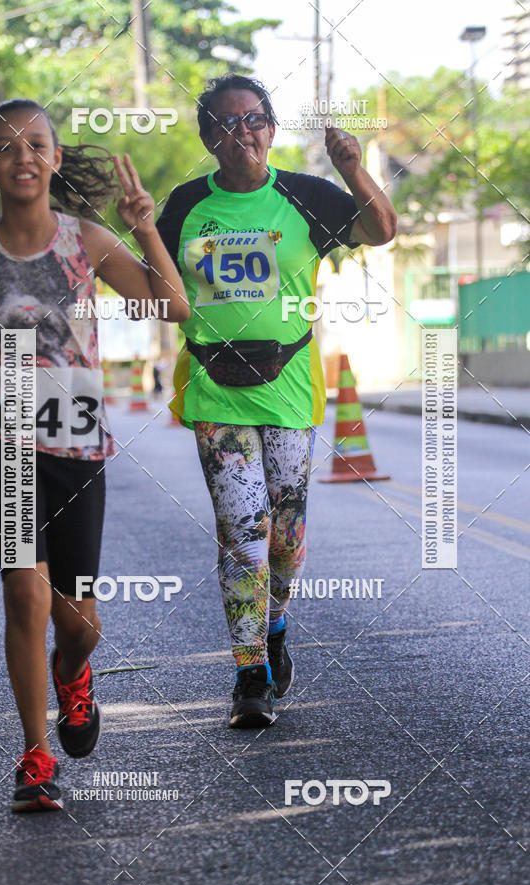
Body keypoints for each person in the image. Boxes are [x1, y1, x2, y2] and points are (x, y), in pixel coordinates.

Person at [0, 98, 188, 811]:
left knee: (79, 622)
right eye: (7, 147)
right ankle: (35, 755)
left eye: (36, 144)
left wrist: (146, 231)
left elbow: (172, 307)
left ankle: (74, 675)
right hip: (4, 444)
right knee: (25, 593)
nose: (23, 157)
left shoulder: (87, 241)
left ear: (54, 158)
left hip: (77, 441)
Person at [157, 74, 396, 728]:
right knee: (245, 538)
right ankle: (250, 673)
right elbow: (149, 279)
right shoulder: (182, 207)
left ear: (272, 127)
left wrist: (352, 168)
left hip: (290, 388)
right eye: (228, 124)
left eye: (256, 119)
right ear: (208, 137)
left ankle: (278, 623)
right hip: (215, 391)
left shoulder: (305, 194)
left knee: (286, 543)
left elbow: (381, 230)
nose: (245, 133)